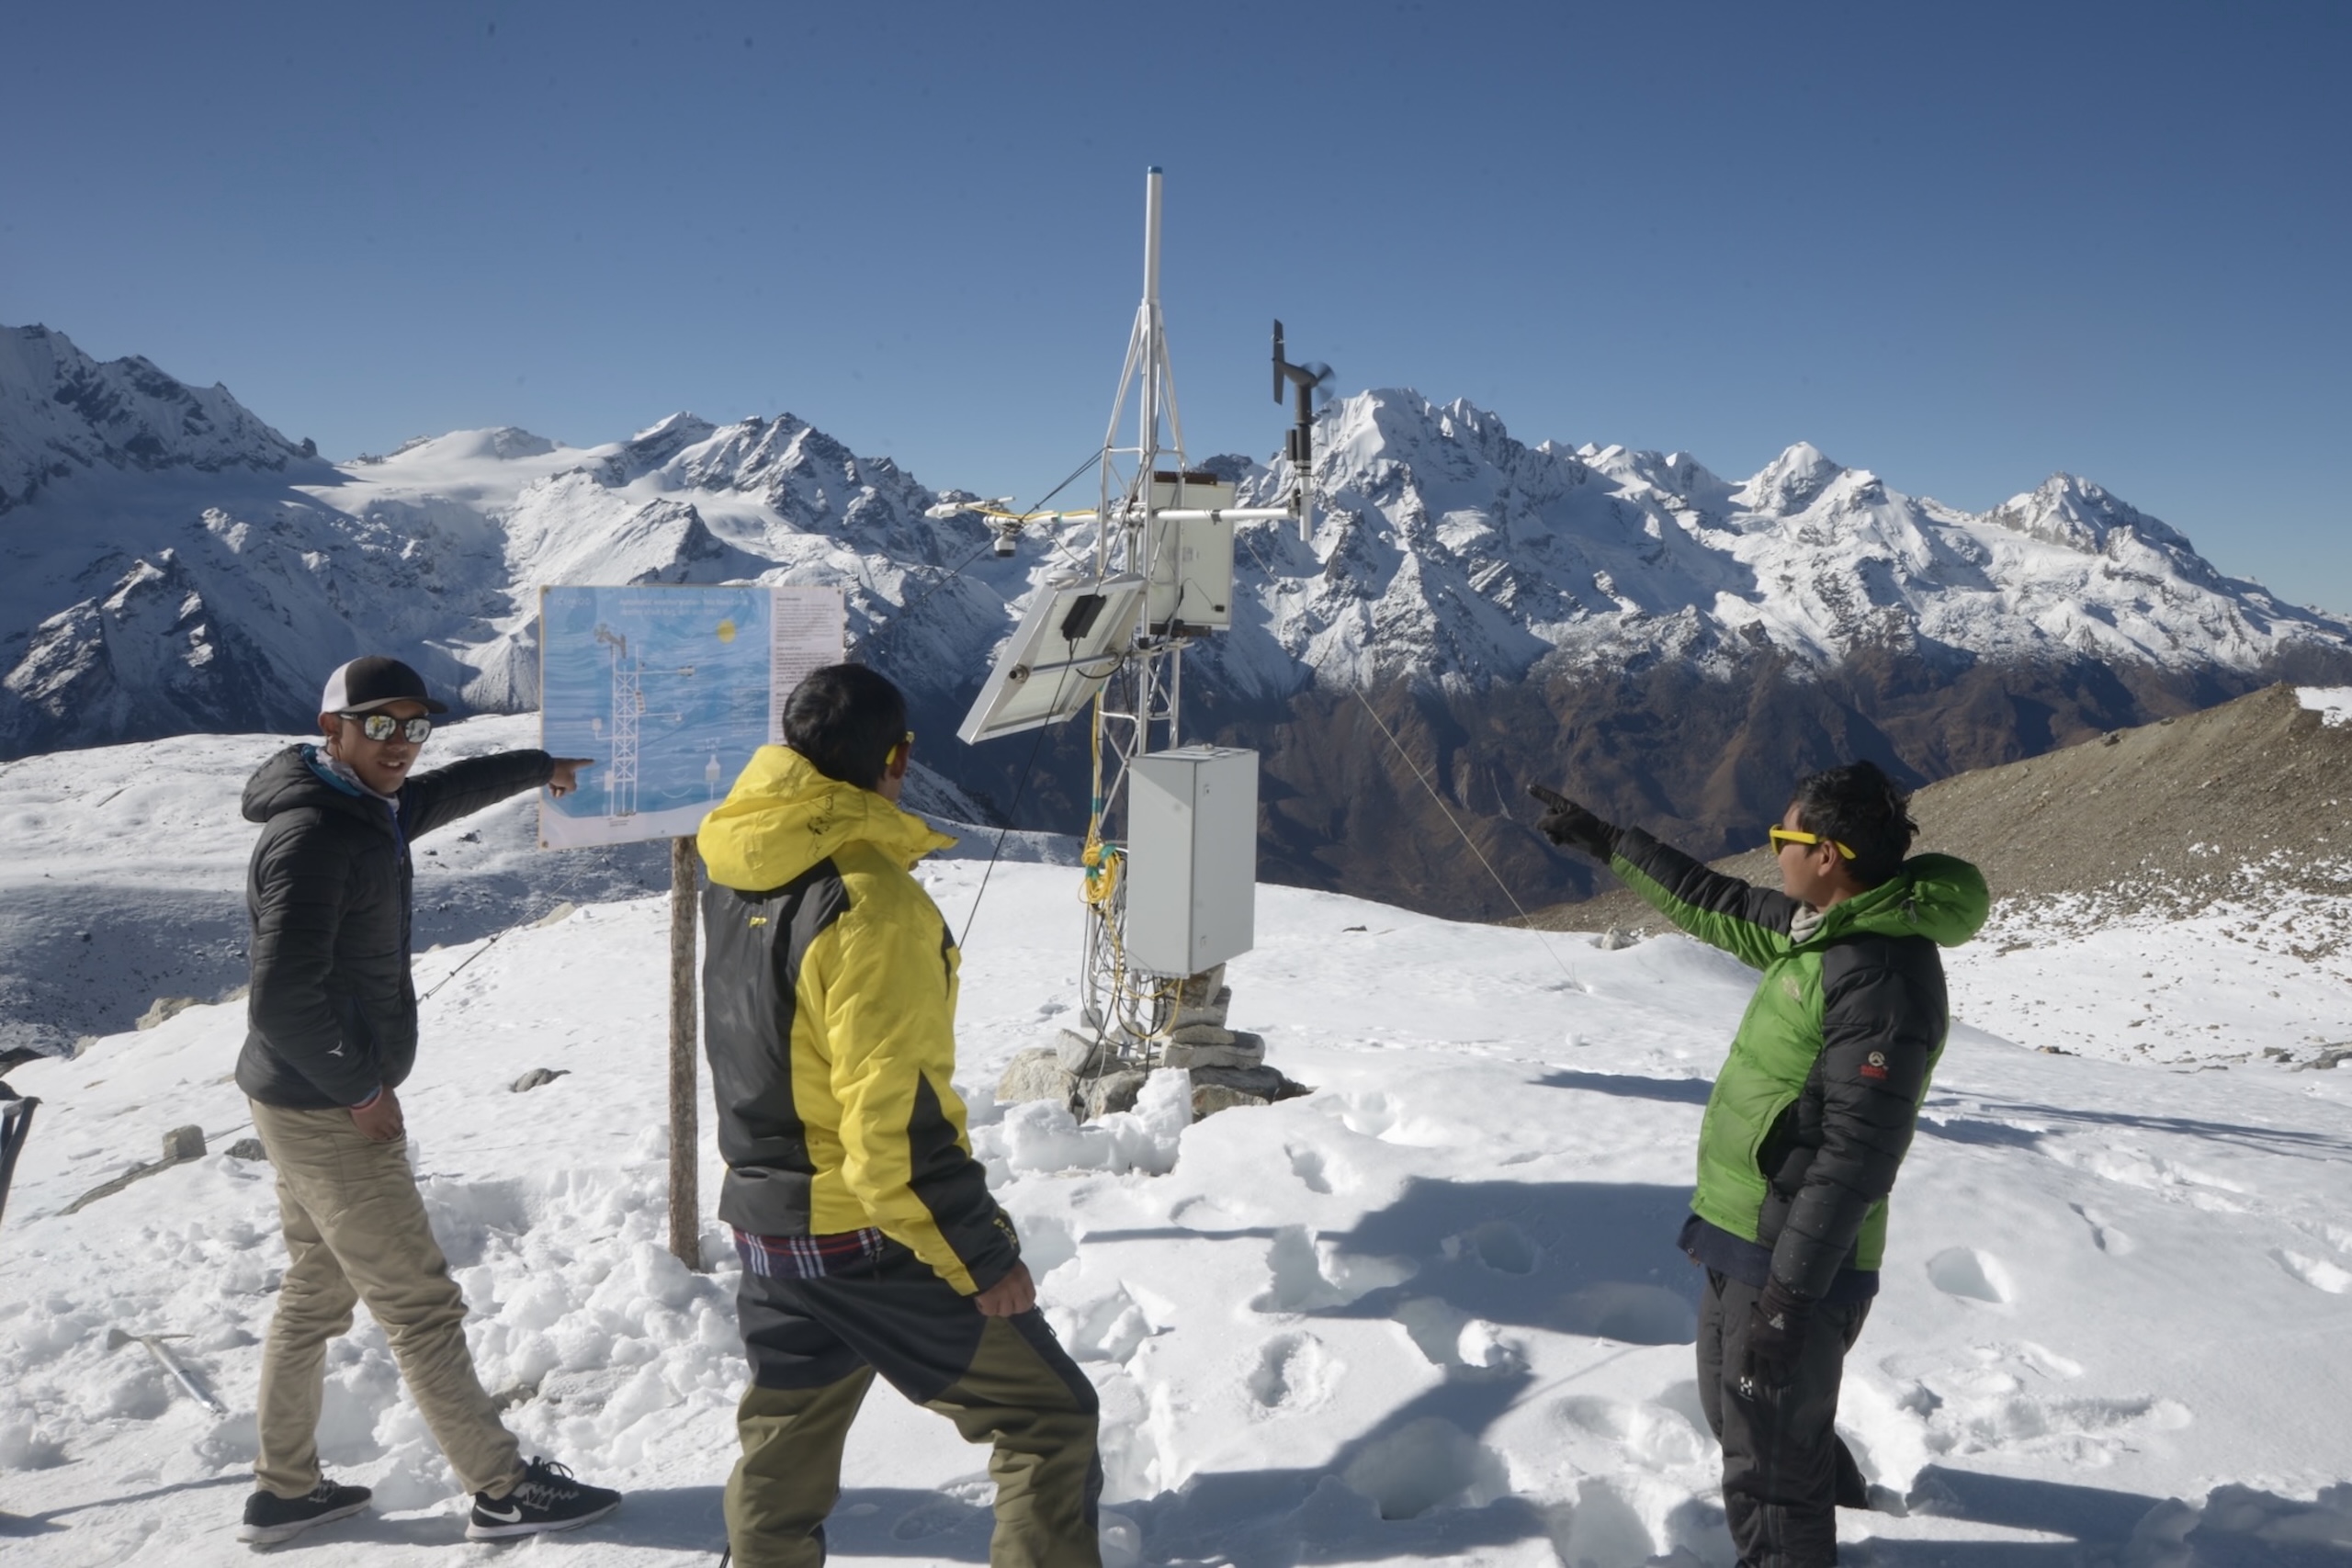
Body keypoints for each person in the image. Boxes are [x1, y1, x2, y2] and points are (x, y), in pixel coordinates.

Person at [698, 663, 1101, 1568]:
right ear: (896, 759)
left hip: (767, 1223)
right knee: (1049, 1420)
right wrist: (982, 1258)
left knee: (786, 1446)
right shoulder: (870, 906)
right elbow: (896, 1130)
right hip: (856, 1231)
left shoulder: (736, 861)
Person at [1536, 762, 1986, 1568]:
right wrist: (1609, 843)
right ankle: (1859, 1512)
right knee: (1739, 1413)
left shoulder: (1878, 979)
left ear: (1827, 855)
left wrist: (1788, 1295)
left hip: (1794, 1259)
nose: (1770, 851)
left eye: (1783, 837)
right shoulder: (1821, 932)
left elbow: (1856, 1157)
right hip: (1744, 1234)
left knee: (1769, 1465)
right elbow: (1719, 902)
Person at [235, 655, 622, 1545]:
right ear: (331, 727)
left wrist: (537, 767)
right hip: (326, 1106)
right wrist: (361, 1088)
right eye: (380, 725)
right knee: (416, 1302)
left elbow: (437, 796)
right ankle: (498, 1487)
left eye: (415, 725)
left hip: (295, 1097)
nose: (401, 743)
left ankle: (284, 1489)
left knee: (314, 1292)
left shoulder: (359, 806)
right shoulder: (316, 838)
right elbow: (282, 998)